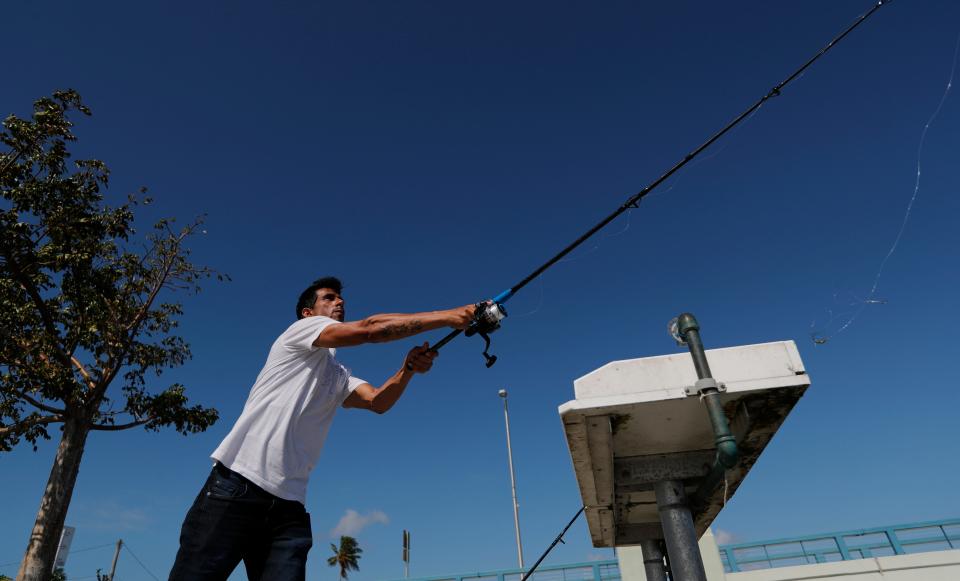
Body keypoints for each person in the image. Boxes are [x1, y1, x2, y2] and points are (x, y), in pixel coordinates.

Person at [169, 276, 475, 580]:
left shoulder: (339, 375)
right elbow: (370, 330)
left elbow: (378, 401)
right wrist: (449, 317)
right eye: (329, 298)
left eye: (340, 298)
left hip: (289, 509)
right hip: (236, 486)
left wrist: (407, 370)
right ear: (308, 313)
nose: (339, 302)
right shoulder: (300, 332)